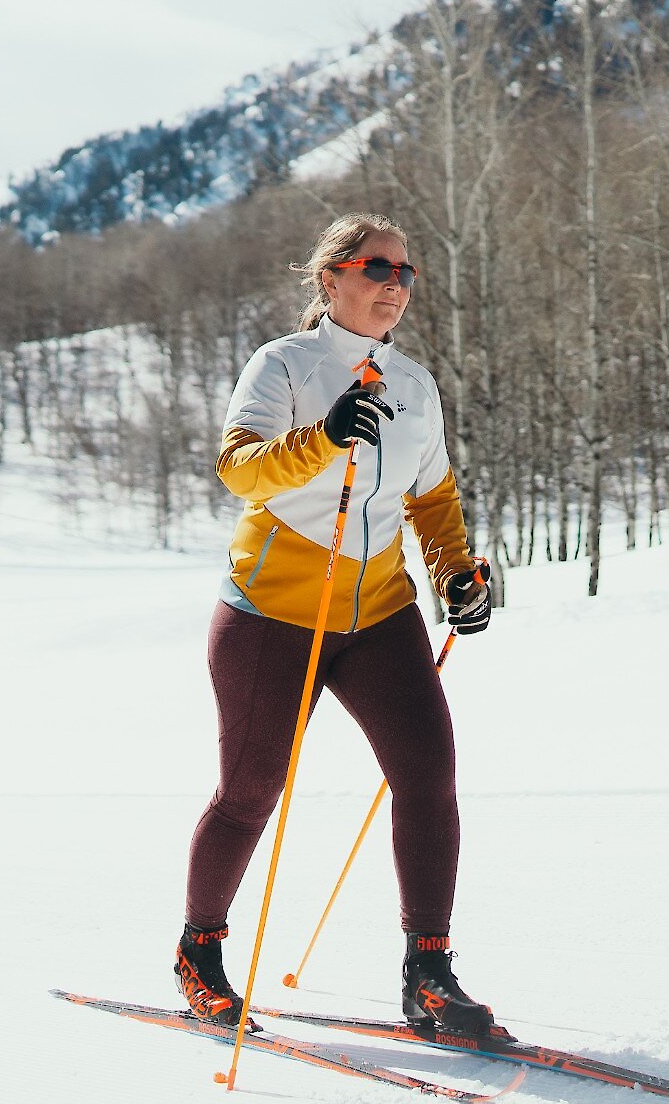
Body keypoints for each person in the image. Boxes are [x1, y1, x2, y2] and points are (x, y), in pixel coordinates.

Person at [173, 212, 499, 1040]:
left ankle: (429, 974)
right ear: (330, 279)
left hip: (378, 611)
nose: (395, 281)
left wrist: (455, 574)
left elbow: (430, 499)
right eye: (375, 265)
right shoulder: (283, 363)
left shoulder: (416, 384)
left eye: (405, 269)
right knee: (250, 793)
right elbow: (238, 467)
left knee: (428, 773)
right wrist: (322, 437)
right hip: (270, 612)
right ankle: (199, 953)